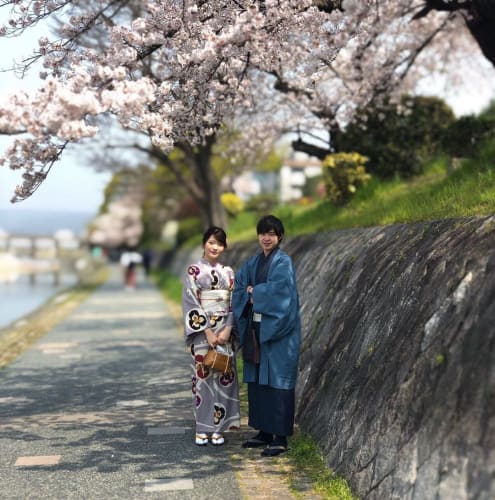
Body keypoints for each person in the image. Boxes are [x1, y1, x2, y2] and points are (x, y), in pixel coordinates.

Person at [232, 215, 301, 457]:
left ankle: (280, 437)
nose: (266, 238)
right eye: (263, 233)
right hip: (257, 329)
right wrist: (249, 292)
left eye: (271, 234)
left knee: (277, 382)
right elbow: (239, 286)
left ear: (279, 236)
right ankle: (263, 431)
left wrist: (255, 292)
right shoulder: (253, 263)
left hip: (279, 332)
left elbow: (280, 293)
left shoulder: (283, 262)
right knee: (258, 382)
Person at [182, 226, 240, 446]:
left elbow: (235, 302)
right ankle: (203, 427)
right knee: (203, 378)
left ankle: (219, 428)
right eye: (211, 242)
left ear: (224, 247)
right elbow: (190, 301)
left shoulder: (229, 272)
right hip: (202, 331)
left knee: (224, 376)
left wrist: (227, 329)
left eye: (219, 243)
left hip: (225, 331)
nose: (215, 247)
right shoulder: (194, 271)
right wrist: (206, 330)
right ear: (204, 243)